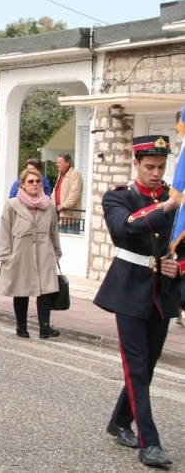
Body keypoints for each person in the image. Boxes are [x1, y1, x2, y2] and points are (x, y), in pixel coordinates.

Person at [93, 135, 185, 468]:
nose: (157, 173)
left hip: (161, 293)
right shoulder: (120, 197)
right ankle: (151, 443)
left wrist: (178, 266)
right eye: (150, 167)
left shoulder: (174, 199)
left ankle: (119, 421)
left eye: (162, 167)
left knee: (147, 367)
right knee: (137, 367)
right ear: (136, 164)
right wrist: (167, 207)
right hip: (129, 290)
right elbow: (124, 229)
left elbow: (181, 243)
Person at [0, 167, 63, 339]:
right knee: (22, 289)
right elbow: (4, 231)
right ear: (23, 185)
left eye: (38, 181)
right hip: (21, 253)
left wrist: (56, 254)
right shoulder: (12, 205)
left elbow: (53, 231)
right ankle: (21, 326)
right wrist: (5, 256)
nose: (35, 184)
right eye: (31, 181)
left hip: (44, 252)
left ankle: (45, 327)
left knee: (46, 289)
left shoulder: (49, 206)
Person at [51, 153, 83, 233]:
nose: (57, 165)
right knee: (61, 241)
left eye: (59, 162)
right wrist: (53, 203)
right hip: (60, 215)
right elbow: (55, 191)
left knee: (72, 241)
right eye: (57, 162)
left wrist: (64, 205)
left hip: (70, 216)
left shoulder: (75, 175)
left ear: (67, 163)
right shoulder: (60, 174)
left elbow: (74, 193)